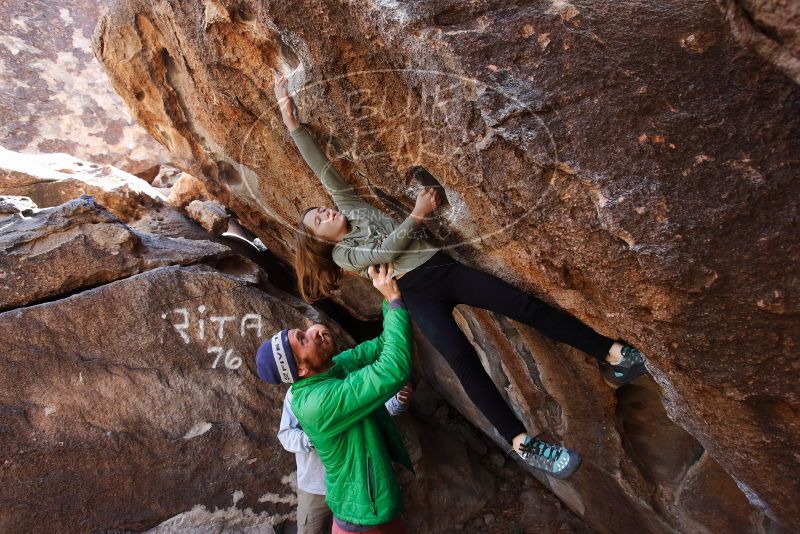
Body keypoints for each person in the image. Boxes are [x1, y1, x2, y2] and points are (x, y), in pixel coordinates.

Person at [273, 72, 648, 479]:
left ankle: (612, 353)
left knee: (524, 306)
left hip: (443, 269)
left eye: (321, 208)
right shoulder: (345, 255)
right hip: (416, 294)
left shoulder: (350, 204)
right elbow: (385, 252)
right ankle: (523, 443)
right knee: (463, 362)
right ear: (320, 240)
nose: (325, 212)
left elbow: (321, 167)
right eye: (318, 220)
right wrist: (417, 214)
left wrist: (292, 123)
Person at [256, 263, 413, 534]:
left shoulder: (331, 369)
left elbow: (378, 347)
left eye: (303, 331)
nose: (313, 332)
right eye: (304, 340)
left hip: (369, 507)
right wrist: (394, 300)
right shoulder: (316, 402)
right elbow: (391, 369)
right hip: (363, 518)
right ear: (302, 369)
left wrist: (390, 297)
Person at [278, 384, 413, 534]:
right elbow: (285, 435)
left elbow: (374, 410)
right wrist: (314, 438)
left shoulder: (348, 379)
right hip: (315, 487)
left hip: (353, 485)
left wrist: (397, 401)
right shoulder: (297, 391)